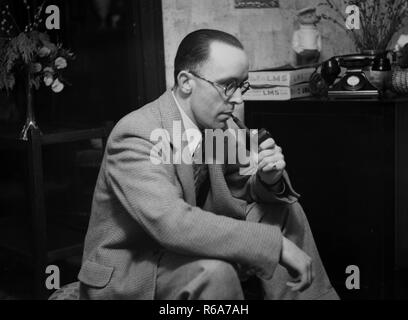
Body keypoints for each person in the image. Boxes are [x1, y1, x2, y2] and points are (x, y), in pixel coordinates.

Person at [78, 29, 339, 300]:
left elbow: (237, 186)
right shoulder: (138, 132)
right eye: (228, 85)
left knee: (284, 209)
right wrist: (277, 247)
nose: (238, 99)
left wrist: (267, 179)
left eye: (242, 86)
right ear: (186, 82)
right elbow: (172, 223)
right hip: (133, 269)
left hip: (177, 252)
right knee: (214, 272)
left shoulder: (212, 128)